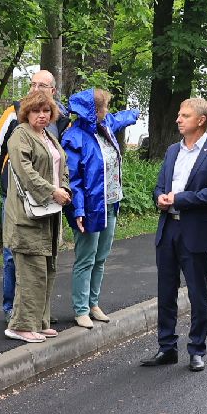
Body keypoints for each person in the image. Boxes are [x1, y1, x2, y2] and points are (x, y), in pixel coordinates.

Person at [140, 97, 207, 373]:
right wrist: (160, 198)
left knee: (196, 293)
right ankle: (167, 347)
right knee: (165, 292)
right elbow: (159, 185)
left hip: (195, 231)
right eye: (179, 114)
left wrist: (178, 199)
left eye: (184, 115)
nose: (178, 119)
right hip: (168, 228)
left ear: (201, 121)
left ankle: (197, 349)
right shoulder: (171, 151)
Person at [0, 70, 68, 324]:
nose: (35, 88)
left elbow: (59, 159)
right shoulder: (13, 113)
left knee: (44, 256)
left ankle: (36, 312)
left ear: (53, 91)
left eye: (42, 85)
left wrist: (59, 188)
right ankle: (11, 308)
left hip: (50, 202)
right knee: (14, 253)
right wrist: (10, 179)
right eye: (32, 84)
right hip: (18, 198)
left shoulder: (60, 120)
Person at [61, 87, 137, 329]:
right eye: (104, 107)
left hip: (111, 203)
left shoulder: (104, 128)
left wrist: (135, 114)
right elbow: (73, 180)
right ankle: (81, 308)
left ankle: (93, 304)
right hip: (90, 208)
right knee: (86, 257)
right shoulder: (74, 137)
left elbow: (120, 118)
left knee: (101, 257)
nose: (108, 111)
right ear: (92, 112)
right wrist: (79, 211)